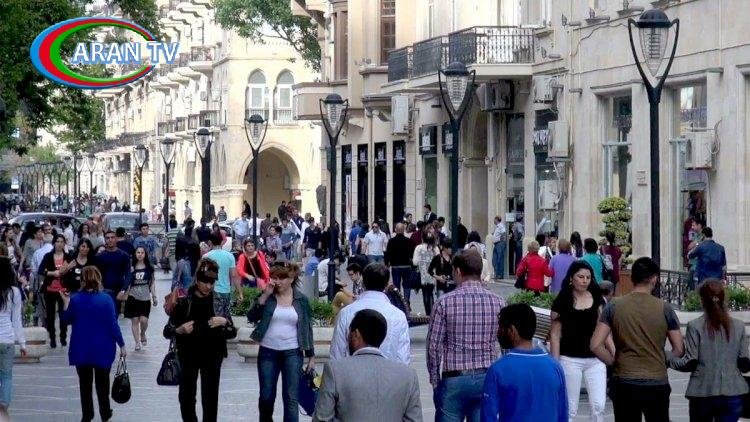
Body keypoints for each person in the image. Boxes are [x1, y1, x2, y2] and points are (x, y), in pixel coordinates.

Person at [590, 257, 684, 421]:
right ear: (654, 279)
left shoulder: (614, 306)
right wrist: (663, 360)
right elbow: (679, 348)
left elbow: (595, 345)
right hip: (656, 380)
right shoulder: (664, 308)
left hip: (624, 379)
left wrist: (614, 361)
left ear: (632, 278)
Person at [427, 250, 504, 421]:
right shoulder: (498, 302)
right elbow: (504, 343)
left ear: (458, 271)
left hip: (454, 377)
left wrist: (435, 380)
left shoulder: (444, 302)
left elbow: (433, 346)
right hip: (486, 375)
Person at [313, 309, 422, 422]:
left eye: (349, 333)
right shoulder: (408, 376)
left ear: (356, 334)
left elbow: (322, 418)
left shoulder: (335, 370)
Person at [164, 258, 237, 422]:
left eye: (212, 282)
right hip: (187, 354)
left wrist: (224, 322)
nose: (208, 286)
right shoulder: (184, 300)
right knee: (186, 397)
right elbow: (167, 331)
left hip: (213, 354)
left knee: (210, 398)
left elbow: (232, 332)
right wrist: (179, 330)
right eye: (205, 282)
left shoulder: (219, 301)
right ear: (197, 280)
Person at [669, 279, 749, 421]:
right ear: (724, 299)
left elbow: (690, 362)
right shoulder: (738, 326)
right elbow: (744, 363)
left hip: (702, 392)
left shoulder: (695, 326)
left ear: (702, 300)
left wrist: (669, 359)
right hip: (733, 391)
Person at [247, 262, 314, 422]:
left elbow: (307, 327)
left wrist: (311, 356)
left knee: (291, 397)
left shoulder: (301, 300)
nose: (277, 282)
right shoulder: (268, 296)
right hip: (268, 351)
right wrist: (264, 295)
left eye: (281, 278)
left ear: (291, 278)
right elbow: (251, 316)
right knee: (266, 395)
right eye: (274, 278)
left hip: (293, 352)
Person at [481, 303, 568, 422]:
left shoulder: (498, 369)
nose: (498, 333)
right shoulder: (555, 367)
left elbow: (488, 416)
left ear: (512, 330)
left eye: (500, 327)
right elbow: (562, 413)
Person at [61, 266, 126, 422]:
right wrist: (122, 344)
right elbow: (113, 324)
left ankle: (87, 414)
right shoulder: (106, 299)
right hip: (103, 348)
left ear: (82, 280)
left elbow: (66, 320)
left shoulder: (75, 299)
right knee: (102, 384)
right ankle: (105, 412)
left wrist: (65, 302)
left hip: (81, 348)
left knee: (85, 385)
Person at [550, 261, 610, 421]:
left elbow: (605, 332)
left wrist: (613, 354)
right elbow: (555, 335)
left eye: (588, 277)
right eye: (581, 277)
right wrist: (555, 364)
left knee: (599, 406)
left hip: (596, 359)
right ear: (572, 278)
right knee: (570, 408)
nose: (585, 281)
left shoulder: (598, 299)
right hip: (569, 359)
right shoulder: (562, 300)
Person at [330, 262, 410, 363]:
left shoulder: (346, 313)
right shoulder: (398, 316)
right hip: (388, 371)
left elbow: (337, 353)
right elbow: (403, 358)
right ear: (386, 285)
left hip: (353, 371)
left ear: (363, 282)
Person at [0, 257, 26, 412]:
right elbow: (16, 320)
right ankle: (3, 408)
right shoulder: (14, 292)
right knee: (6, 376)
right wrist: (22, 343)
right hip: (7, 338)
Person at [38, 234, 69, 348]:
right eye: (57, 241)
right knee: (50, 315)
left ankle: (63, 337)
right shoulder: (48, 256)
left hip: (63, 290)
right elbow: (41, 270)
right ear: (54, 243)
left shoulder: (68, 257)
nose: (59, 244)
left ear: (64, 244)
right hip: (50, 290)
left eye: (61, 242)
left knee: (63, 314)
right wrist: (52, 273)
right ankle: (52, 338)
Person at [124, 247, 156, 351]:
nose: (140, 254)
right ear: (135, 254)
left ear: (145, 254)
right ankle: (137, 342)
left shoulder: (149, 268)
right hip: (133, 296)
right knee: (135, 320)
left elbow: (152, 283)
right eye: (138, 252)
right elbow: (127, 281)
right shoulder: (131, 267)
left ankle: (143, 333)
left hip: (145, 297)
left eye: (142, 252)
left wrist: (154, 296)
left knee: (144, 320)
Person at [94, 231, 132, 317]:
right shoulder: (100, 257)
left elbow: (128, 274)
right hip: (105, 290)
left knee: (115, 315)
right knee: (107, 315)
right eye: (107, 238)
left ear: (116, 239)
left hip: (119, 290)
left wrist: (123, 290)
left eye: (112, 237)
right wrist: (99, 286)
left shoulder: (124, 255)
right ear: (105, 240)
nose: (110, 240)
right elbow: (96, 274)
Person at [205, 233, 243, 316]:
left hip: (212, 291)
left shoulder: (206, 257)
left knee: (215, 317)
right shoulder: (230, 256)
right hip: (226, 290)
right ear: (222, 241)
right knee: (225, 316)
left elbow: (204, 277)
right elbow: (234, 275)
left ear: (210, 242)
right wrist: (240, 292)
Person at [384, 223, 415, 301]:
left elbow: (388, 254)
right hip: (407, 266)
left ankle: (398, 301)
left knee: (396, 285)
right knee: (407, 285)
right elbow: (412, 253)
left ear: (396, 230)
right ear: (403, 230)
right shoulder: (409, 241)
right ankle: (406, 301)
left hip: (395, 266)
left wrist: (387, 264)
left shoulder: (391, 241)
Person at [412, 233, 439, 315]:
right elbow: (438, 261)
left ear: (423, 239)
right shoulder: (435, 248)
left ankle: (428, 313)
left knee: (425, 294)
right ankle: (432, 312)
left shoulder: (418, 248)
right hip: (432, 275)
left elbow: (415, 262)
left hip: (422, 275)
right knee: (431, 294)